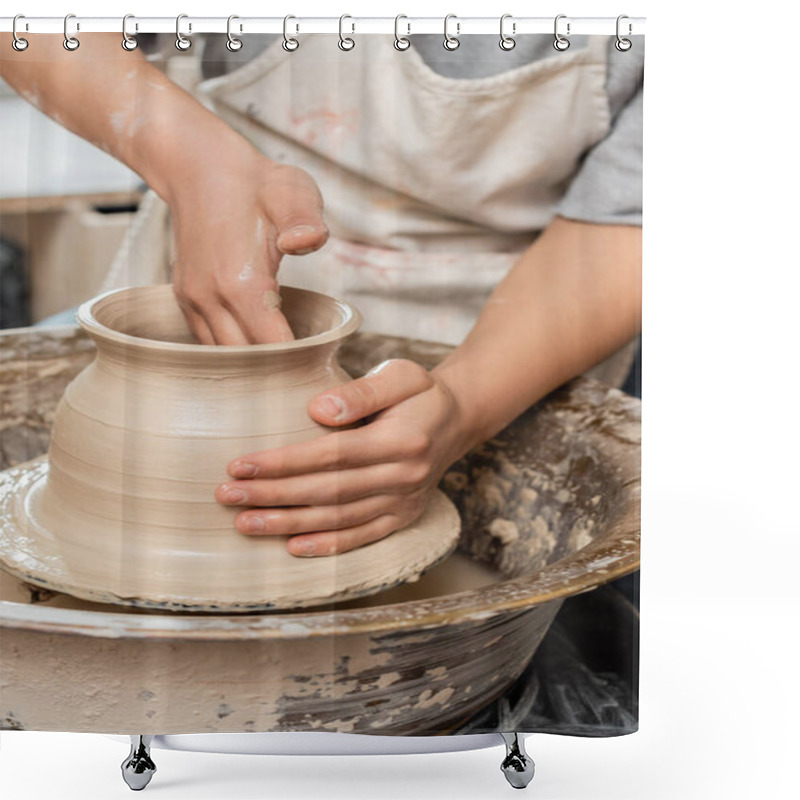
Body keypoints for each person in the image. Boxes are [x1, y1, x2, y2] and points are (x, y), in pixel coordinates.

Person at [1, 30, 642, 559]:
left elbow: (635, 217)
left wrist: (463, 408)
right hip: (214, 229)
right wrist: (193, 160)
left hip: (528, 305)